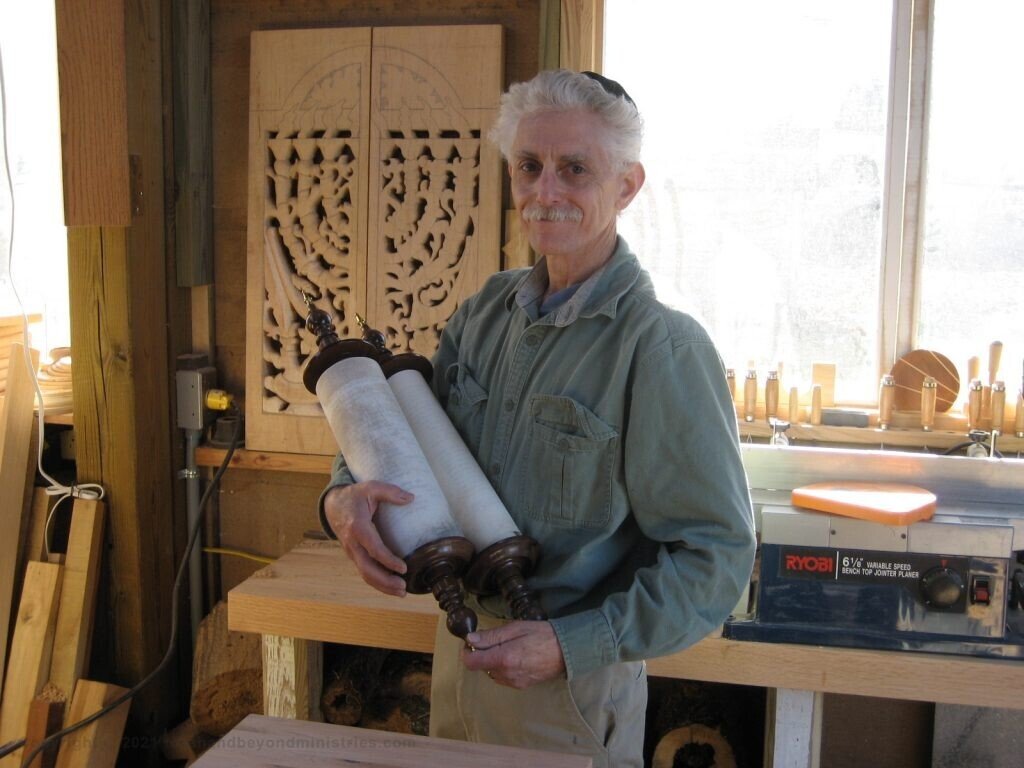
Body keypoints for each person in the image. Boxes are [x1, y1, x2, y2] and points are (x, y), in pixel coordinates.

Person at [319, 68, 755, 767]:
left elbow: (717, 560)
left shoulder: (660, 348)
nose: (545, 191)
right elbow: (404, 429)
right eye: (529, 166)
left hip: (570, 689)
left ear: (627, 185)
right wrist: (345, 496)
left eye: (575, 169)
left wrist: (569, 645)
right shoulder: (483, 314)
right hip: (461, 661)